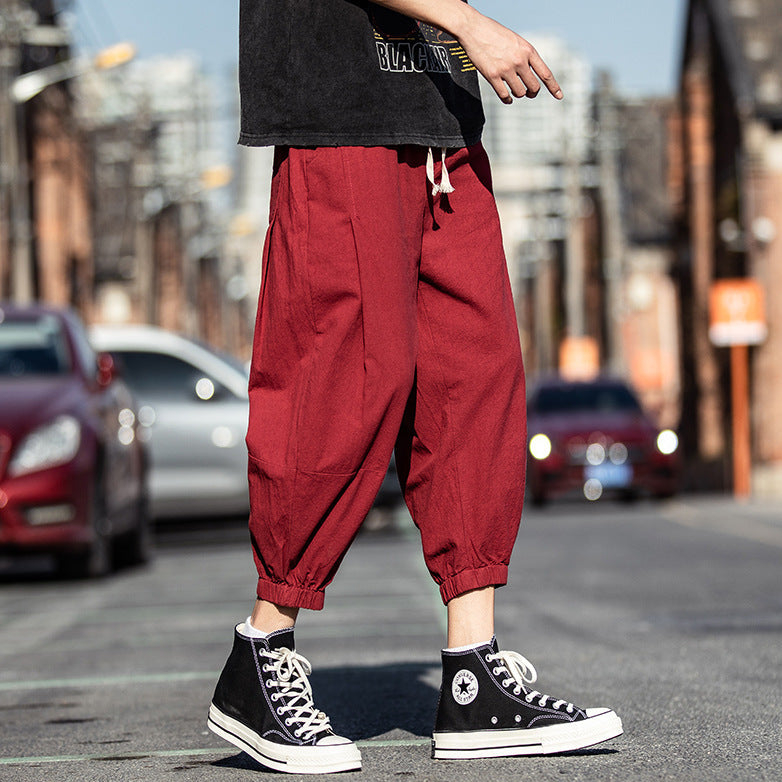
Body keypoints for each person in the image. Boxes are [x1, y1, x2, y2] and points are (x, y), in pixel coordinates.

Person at [207, 0, 623, 773]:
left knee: (473, 375)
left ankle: (473, 674)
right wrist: (468, 22)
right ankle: (261, 652)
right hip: (340, 111)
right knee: (346, 377)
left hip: (440, 116)